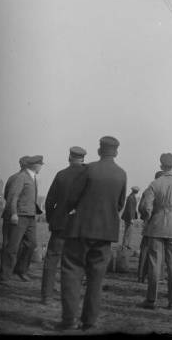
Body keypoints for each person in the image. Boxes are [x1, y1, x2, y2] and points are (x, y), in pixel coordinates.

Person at [58, 136, 127, 331]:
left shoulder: (89, 169)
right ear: (116, 152)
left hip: (81, 229)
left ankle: (69, 320)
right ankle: (89, 321)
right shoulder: (121, 174)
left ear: (99, 151)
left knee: (72, 272)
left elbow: (72, 198)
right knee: (96, 279)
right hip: (105, 233)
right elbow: (120, 204)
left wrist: (71, 210)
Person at [139, 153, 172, 310]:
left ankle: (151, 300)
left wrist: (148, 218)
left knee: (155, 264)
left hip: (156, 227)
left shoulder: (155, 184)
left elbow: (145, 207)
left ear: (161, 166)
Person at [40, 146, 87, 305]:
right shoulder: (88, 176)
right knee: (75, 262)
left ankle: (46, 296)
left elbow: (50, 201)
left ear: (69, 157)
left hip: (60, 225)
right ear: (83, 159)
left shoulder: (61, 174)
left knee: (52, 258)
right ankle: (70, 296)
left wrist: (52, 219)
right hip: (79, 226)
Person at [0, 155, 44, 285]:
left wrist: (36, 211)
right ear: (35, 165)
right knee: (12, 247)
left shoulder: (33, 177)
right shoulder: (21, 177)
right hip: (19, 216)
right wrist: (13, 213)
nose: (41, 167)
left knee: (32, 244)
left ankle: (20, 270)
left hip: (30, 216)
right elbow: (12, 196)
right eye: (40, 165)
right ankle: (4, 277)